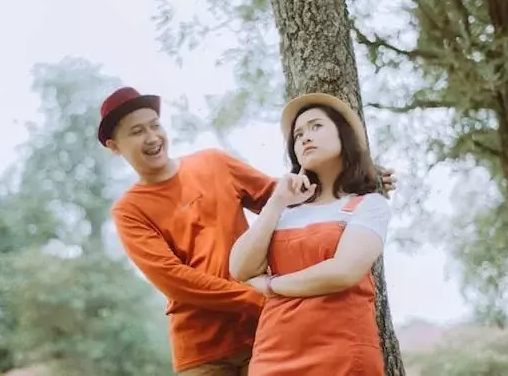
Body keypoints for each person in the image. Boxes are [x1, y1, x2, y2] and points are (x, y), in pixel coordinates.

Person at [98, 86, 396, 376]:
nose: (152, 137)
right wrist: (261, 295)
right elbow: (174, 280)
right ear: (114, 146)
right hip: (203, 349)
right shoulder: (128, 210)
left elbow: (287, 195)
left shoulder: (214, 163)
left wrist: (360, 174)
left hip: (264, 336)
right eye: (137, 132)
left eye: (155, 125)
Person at [229, 93, 392, 376]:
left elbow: (343, 272)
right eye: (298, 135)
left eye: (316, 126)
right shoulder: (284, 212)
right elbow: (240, 267)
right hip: (273, 352)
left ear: (344, 136)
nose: (305, 137)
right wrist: (277, 202)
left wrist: (271, 285)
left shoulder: (368, 205)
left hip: (342, 352)